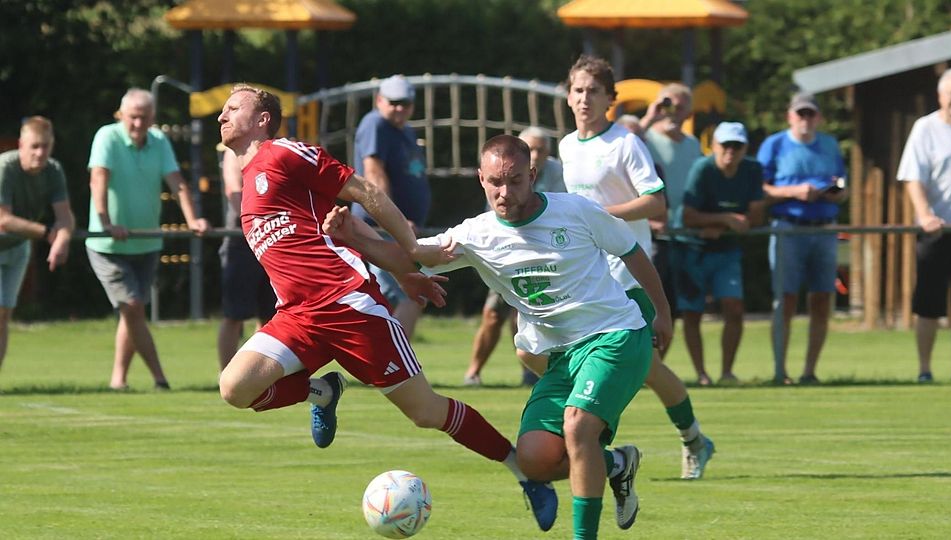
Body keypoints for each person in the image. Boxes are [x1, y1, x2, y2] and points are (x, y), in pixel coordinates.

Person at [214, 84, 558, 532]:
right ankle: (324, 391)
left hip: (349, 307)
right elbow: (346, 230)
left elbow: (364, 194)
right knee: (235, 389)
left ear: (262, 119)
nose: (221, 116)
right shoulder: (250, 179)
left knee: (427, 413)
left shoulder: (284, 153)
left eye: (232, 108)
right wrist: (403, 269)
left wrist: (410, 254)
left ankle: (525, 474)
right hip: (297, 315)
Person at [324, 134, 671, 537]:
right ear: (481, 179)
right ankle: (618, 464)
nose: (505, 192)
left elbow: (631, 251)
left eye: (516, 181)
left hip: (615, 335)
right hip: (562, 356)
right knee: (535, 461)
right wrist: (355, 237)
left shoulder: (576, 211)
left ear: (533, 175)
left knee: (578, 427)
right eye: (495, 183)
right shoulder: (476, 235)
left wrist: (661, 312)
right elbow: (415, 256)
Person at [559, 54, 715, 480]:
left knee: (642, 368)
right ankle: (600, 444)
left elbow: (656, 201)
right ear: (568, 96)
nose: (584, 98)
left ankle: (689, 441)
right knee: (607, 363)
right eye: (578, 90)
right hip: (590, 279)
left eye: (593, 91)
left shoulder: (625, 143)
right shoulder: (568, 146)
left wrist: (603, 214)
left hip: (632, 276)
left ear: (610, 98)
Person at [87, 88, 210, 391]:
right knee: (133, 306)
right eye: (132, 117)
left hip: (146, 242)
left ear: (153, 118)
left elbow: (177, 183)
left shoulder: (159, 141)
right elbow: (98, 179)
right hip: (109, 245)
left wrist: (193, 219)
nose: (138, 124)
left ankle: (118, 381)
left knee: (133, 311)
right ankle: (160, 378)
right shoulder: (107, 137)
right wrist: (106, 222)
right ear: (121, 115)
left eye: (144, 118)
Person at [464, 126, 565, 387]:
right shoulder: (503, 171)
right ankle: (473, 372)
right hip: (506, 251)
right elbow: (500, 215)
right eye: (530, 148)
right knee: (493, 315)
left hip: (544, 255)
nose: (535, 153)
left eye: (541, 150)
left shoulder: (557, 172)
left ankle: (531, 373)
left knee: (527, 315)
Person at [757, 92, 847, 385]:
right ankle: (781, 370)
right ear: (790, 116)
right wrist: (795, 192)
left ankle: (810, 371)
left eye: (810, 114)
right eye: (800, 114)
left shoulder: (830, 146)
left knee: (822, 299)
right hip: (788, 227)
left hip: (824, 228)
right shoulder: (775, 145)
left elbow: (842, 183)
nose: (805, 120)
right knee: (786, 299)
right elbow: (760, 188)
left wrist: (836, 192)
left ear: (818, 117)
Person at [676, 122, 765, 385]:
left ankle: (727, 372)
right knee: (692, 312)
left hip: (727, 250)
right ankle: (701, 374)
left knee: (734, 307)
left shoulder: (752, 169)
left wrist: (725, 224)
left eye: (737, 146)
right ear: (714, 146)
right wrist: (725, 219)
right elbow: (688, 216)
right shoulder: (702, 169)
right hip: (694, 250)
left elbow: (757, 214)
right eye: (726, 145)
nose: (731, 151)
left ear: (745, 148)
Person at [351, 75, 430, 339]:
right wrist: (395, 220)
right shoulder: (375, 123)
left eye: (405, 103)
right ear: (379, 101)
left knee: (394, 296)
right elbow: (373, 173)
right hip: (382, 227)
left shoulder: (405, 130)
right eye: (394, 103)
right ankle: (394, 360)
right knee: (413, 292)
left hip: (395, 228)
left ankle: (390, 359)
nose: (400, 108)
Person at [897, 67, 951, 383]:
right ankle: (925, 369)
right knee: (929, 305)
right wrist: (924, 214)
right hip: (936, 231)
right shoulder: (926, 129)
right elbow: (913, 177)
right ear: (941, 96)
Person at [633, 84, 704, 359]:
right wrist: (651, 115)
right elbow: (625, 140)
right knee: (645, 305)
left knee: (672, 307)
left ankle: (655, 368)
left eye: (680, 105)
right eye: (668, 104)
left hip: (683, 235)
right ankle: (639, 366)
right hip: (652, 237)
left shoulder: (693, 144)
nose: (673, 111)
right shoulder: (645, 137)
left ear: (689, 111)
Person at [0, 116, 75, 372]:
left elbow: (65, 218)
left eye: (45, 146)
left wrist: (62, 240)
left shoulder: (53, 170)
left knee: (3, 316)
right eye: (34, 146)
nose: (40, 153)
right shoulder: (6, 167)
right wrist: (47, 234)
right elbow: (4, 220)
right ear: (21, 144)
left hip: (17, 248)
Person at [216, 147, 276, 372]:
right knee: (234, 315)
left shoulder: (278, 148)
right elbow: (233, 191)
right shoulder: (235, 153)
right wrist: (255, 226)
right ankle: (227, 376)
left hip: (273, 240)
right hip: (241, 242)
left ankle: (257, 374)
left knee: (271, 317)